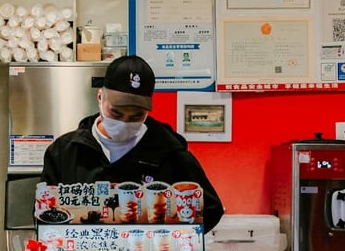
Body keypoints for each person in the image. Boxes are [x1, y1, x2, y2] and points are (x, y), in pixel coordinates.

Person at [41, 55, 225, 232]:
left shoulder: (170, 153)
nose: (125, 122)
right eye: (116, 113)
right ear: (100, 98)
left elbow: (210, 209)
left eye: (136, 116)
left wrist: (175, 239)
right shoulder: (65, 151)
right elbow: (44, 211)